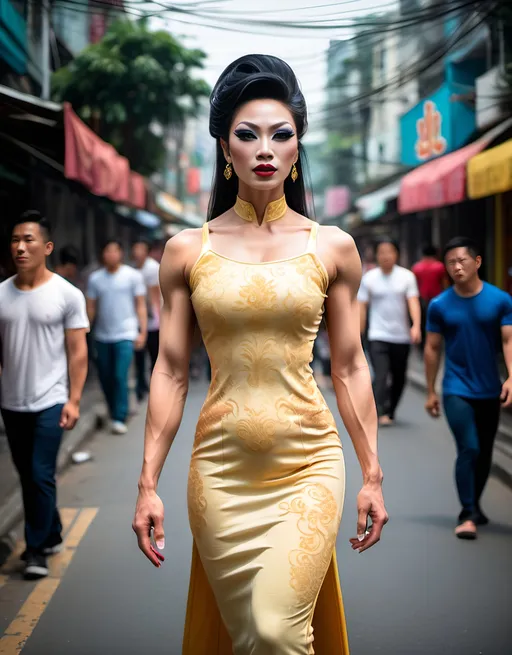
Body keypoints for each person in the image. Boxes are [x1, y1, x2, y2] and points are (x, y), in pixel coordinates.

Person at [132, 54, 388, 655]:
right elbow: (170, 370)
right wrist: (147, 483)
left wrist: (372, 473)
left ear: (298, 145)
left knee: (276, 630)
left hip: (310, 463)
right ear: (226, 147)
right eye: (248, 135)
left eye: (282, 134)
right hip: (220, 472)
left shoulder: (333, 247)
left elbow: (349, 366)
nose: (265, 148)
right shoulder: (185, 251)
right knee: (250, 635)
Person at [0, 210, 89, 579]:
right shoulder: (1, 294)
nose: (20, 248)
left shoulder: (67, 294)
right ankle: (51, 530)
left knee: (38, 473)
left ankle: (35, 550)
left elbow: (77, 352)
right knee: (27, 474)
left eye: (29, 240)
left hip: (51, 399)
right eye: (15, 241)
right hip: (12, 401)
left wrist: (74, 399)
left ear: (47, 247)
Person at [424, 236, 512, 540]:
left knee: (485, 452)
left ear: (477, 262)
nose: (456, 266)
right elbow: (432, 348)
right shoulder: (439, 305)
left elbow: (508, 340)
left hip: (490, 388)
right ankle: (467, 513)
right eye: (450, 262)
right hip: (456, 388)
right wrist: (431, 390)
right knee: (469, 447)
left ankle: (474, 504)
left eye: (462, 260)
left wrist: (511, 378)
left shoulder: (500, 300)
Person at [86, 240, 147, 435]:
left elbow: (140, 304)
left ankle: (120, 416)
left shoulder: (132, 276)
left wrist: (142, 331)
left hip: (126, 333)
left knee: (120, 375)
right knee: (105, 376)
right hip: (102, 336)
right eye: (107, 251)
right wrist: (85, 331)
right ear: (102, 254)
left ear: (121, 253)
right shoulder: (95, 279)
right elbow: (91, 307)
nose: (111, 255)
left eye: (115, 250)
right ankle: (113, 411)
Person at [358, 238, 421, 426]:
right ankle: (378, 411)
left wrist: (416, 325)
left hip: (401, 337)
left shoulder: (407, 277)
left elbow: (413, 302)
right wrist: (358, 333)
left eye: (390, 251)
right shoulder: (369, 278)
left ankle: (391, 409)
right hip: (378, 335)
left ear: (397, 254)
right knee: (382, 373)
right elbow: (361, 306)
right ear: (376, 255)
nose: (386, 256)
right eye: (382, 252)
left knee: (399, 377)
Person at [131, 238, 161, 403]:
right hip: (137, 320)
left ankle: (156, 385)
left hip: (153, 321)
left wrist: (158, 317)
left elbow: (156, 296)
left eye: (141, 249)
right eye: (135, 249)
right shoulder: (133, 269)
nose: (137, 253)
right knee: (139, 356)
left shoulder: (152, 268)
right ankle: (141, 387)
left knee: (154, 355)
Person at [412, 244, 447, 350]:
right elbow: (445, 284)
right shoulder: (440, 267)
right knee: (437, 324)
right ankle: (436, 344)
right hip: (438, 299)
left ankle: (422, 346)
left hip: (421, 300)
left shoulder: (416, 267)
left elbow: (414, 285)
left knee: (423, 323)